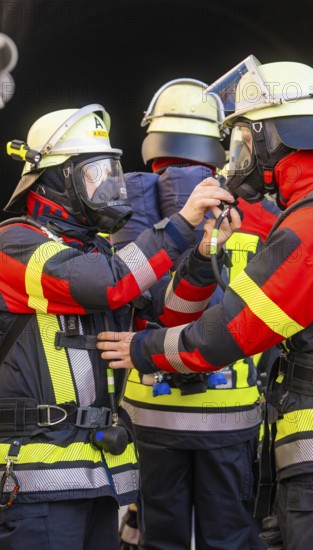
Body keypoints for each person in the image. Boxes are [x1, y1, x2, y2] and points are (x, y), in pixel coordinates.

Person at [97, 56, 313, 550]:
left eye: (243, 138)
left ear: (271, 137)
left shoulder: (310, 224)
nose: (237, 153)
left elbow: (231, 333)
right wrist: (204, 255)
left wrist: (141, 348)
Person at [0, 103, 238, 550]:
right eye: (94, 174)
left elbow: (168, 316)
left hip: (95, 475)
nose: (109, 186)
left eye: (111, 172)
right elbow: (109, 286)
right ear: (56, 179)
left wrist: (204, 258)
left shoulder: (96, 252)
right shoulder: (15, 243)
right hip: (34, 481)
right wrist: (183, 223)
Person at [113, 78, 279, 550]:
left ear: (151, 140)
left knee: (158, 537)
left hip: (149, 412)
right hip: (228, 413)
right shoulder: (259, 212)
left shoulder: (118, 211)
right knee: (228, 535)